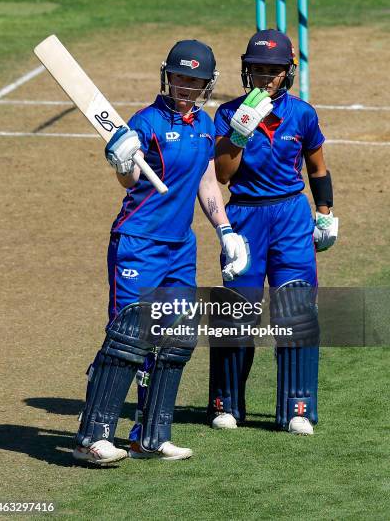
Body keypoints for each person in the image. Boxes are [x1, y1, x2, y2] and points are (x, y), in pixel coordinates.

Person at [72, 39, 248, 464]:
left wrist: (226, 231)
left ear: (208, 84)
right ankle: (92, 438)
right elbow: (132, 180)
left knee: (174, 339)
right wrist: (122, 162)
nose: (187, 86)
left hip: (179, 247)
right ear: (168, 77)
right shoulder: (145, 122)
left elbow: (208, 182)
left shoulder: (206, 126)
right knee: (128, 337)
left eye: (196, 80)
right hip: (138, 243)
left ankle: (150, 437)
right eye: (181, 77)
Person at [208, 29, 338, 435]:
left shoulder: (303, 114)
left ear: (288, 73)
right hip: (245, 217)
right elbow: (224, 176)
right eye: (259, 69)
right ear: (247, 70)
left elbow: (317, 168)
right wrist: (239, 133)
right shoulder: (228, 114)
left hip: (291, 218)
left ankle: (298, 407)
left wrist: (325, 213)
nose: (266, 77)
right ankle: (225, 404)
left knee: (296, 310)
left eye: (274, 71)